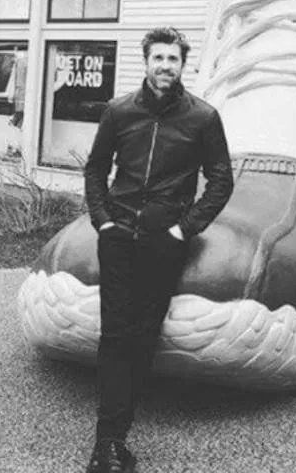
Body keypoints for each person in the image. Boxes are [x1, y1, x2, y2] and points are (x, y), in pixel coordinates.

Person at [84, 26, 234, 473]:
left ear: (182, 65)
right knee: (114, 336)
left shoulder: (203, 117)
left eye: (173, 59)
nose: (165, 66)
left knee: (142, 336)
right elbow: (95, 171)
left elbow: (221, 180)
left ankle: (118, 432)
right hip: (118, 238)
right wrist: (104, 221)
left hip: (162, 243)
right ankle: (107, 444)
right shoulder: (118, 111)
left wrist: (182, 230)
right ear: (145, 61)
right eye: (158, 58)